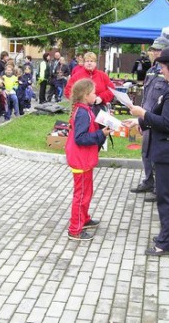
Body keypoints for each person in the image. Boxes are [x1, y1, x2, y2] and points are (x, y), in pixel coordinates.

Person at [127, 47, 169, 256]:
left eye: (164, 67)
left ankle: (166, 243)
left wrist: (143, 113)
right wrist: (140, 120)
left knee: (168, 198)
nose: (162, 71)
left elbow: (167, 123)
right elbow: (159, 113)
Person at [65, 78, 111, 241]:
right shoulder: (83, 112)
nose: (96, 95)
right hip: (80, 160)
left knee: (87, 192)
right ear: (85, 95)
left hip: (84, 159)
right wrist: (101, 134)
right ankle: (75, 230)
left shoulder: (85, 109)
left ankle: (83, 219)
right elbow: (81, 138)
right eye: (93, 93)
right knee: (81, 194)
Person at [130, 36, 169, 202]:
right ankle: (148, 180)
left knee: (157, 154)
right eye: (153, 50)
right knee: (146, 152)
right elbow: (147, 96)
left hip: (158, 119)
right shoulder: (152, 70)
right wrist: (141, 117)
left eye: (158, 50)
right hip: (146, 117)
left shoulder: (168, 71)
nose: (154, 53)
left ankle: (158, 187)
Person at [64, 52, 114, 118]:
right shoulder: (77, 76)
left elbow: (111, 90)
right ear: (84, 63)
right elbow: (68, 91)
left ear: (95, 63)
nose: (89, 63)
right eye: (87, 61)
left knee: (101, 128)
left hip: (100, 109)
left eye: (91, 61)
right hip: (81, 109)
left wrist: (101, 97)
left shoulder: (102, 75)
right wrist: (81, 100)